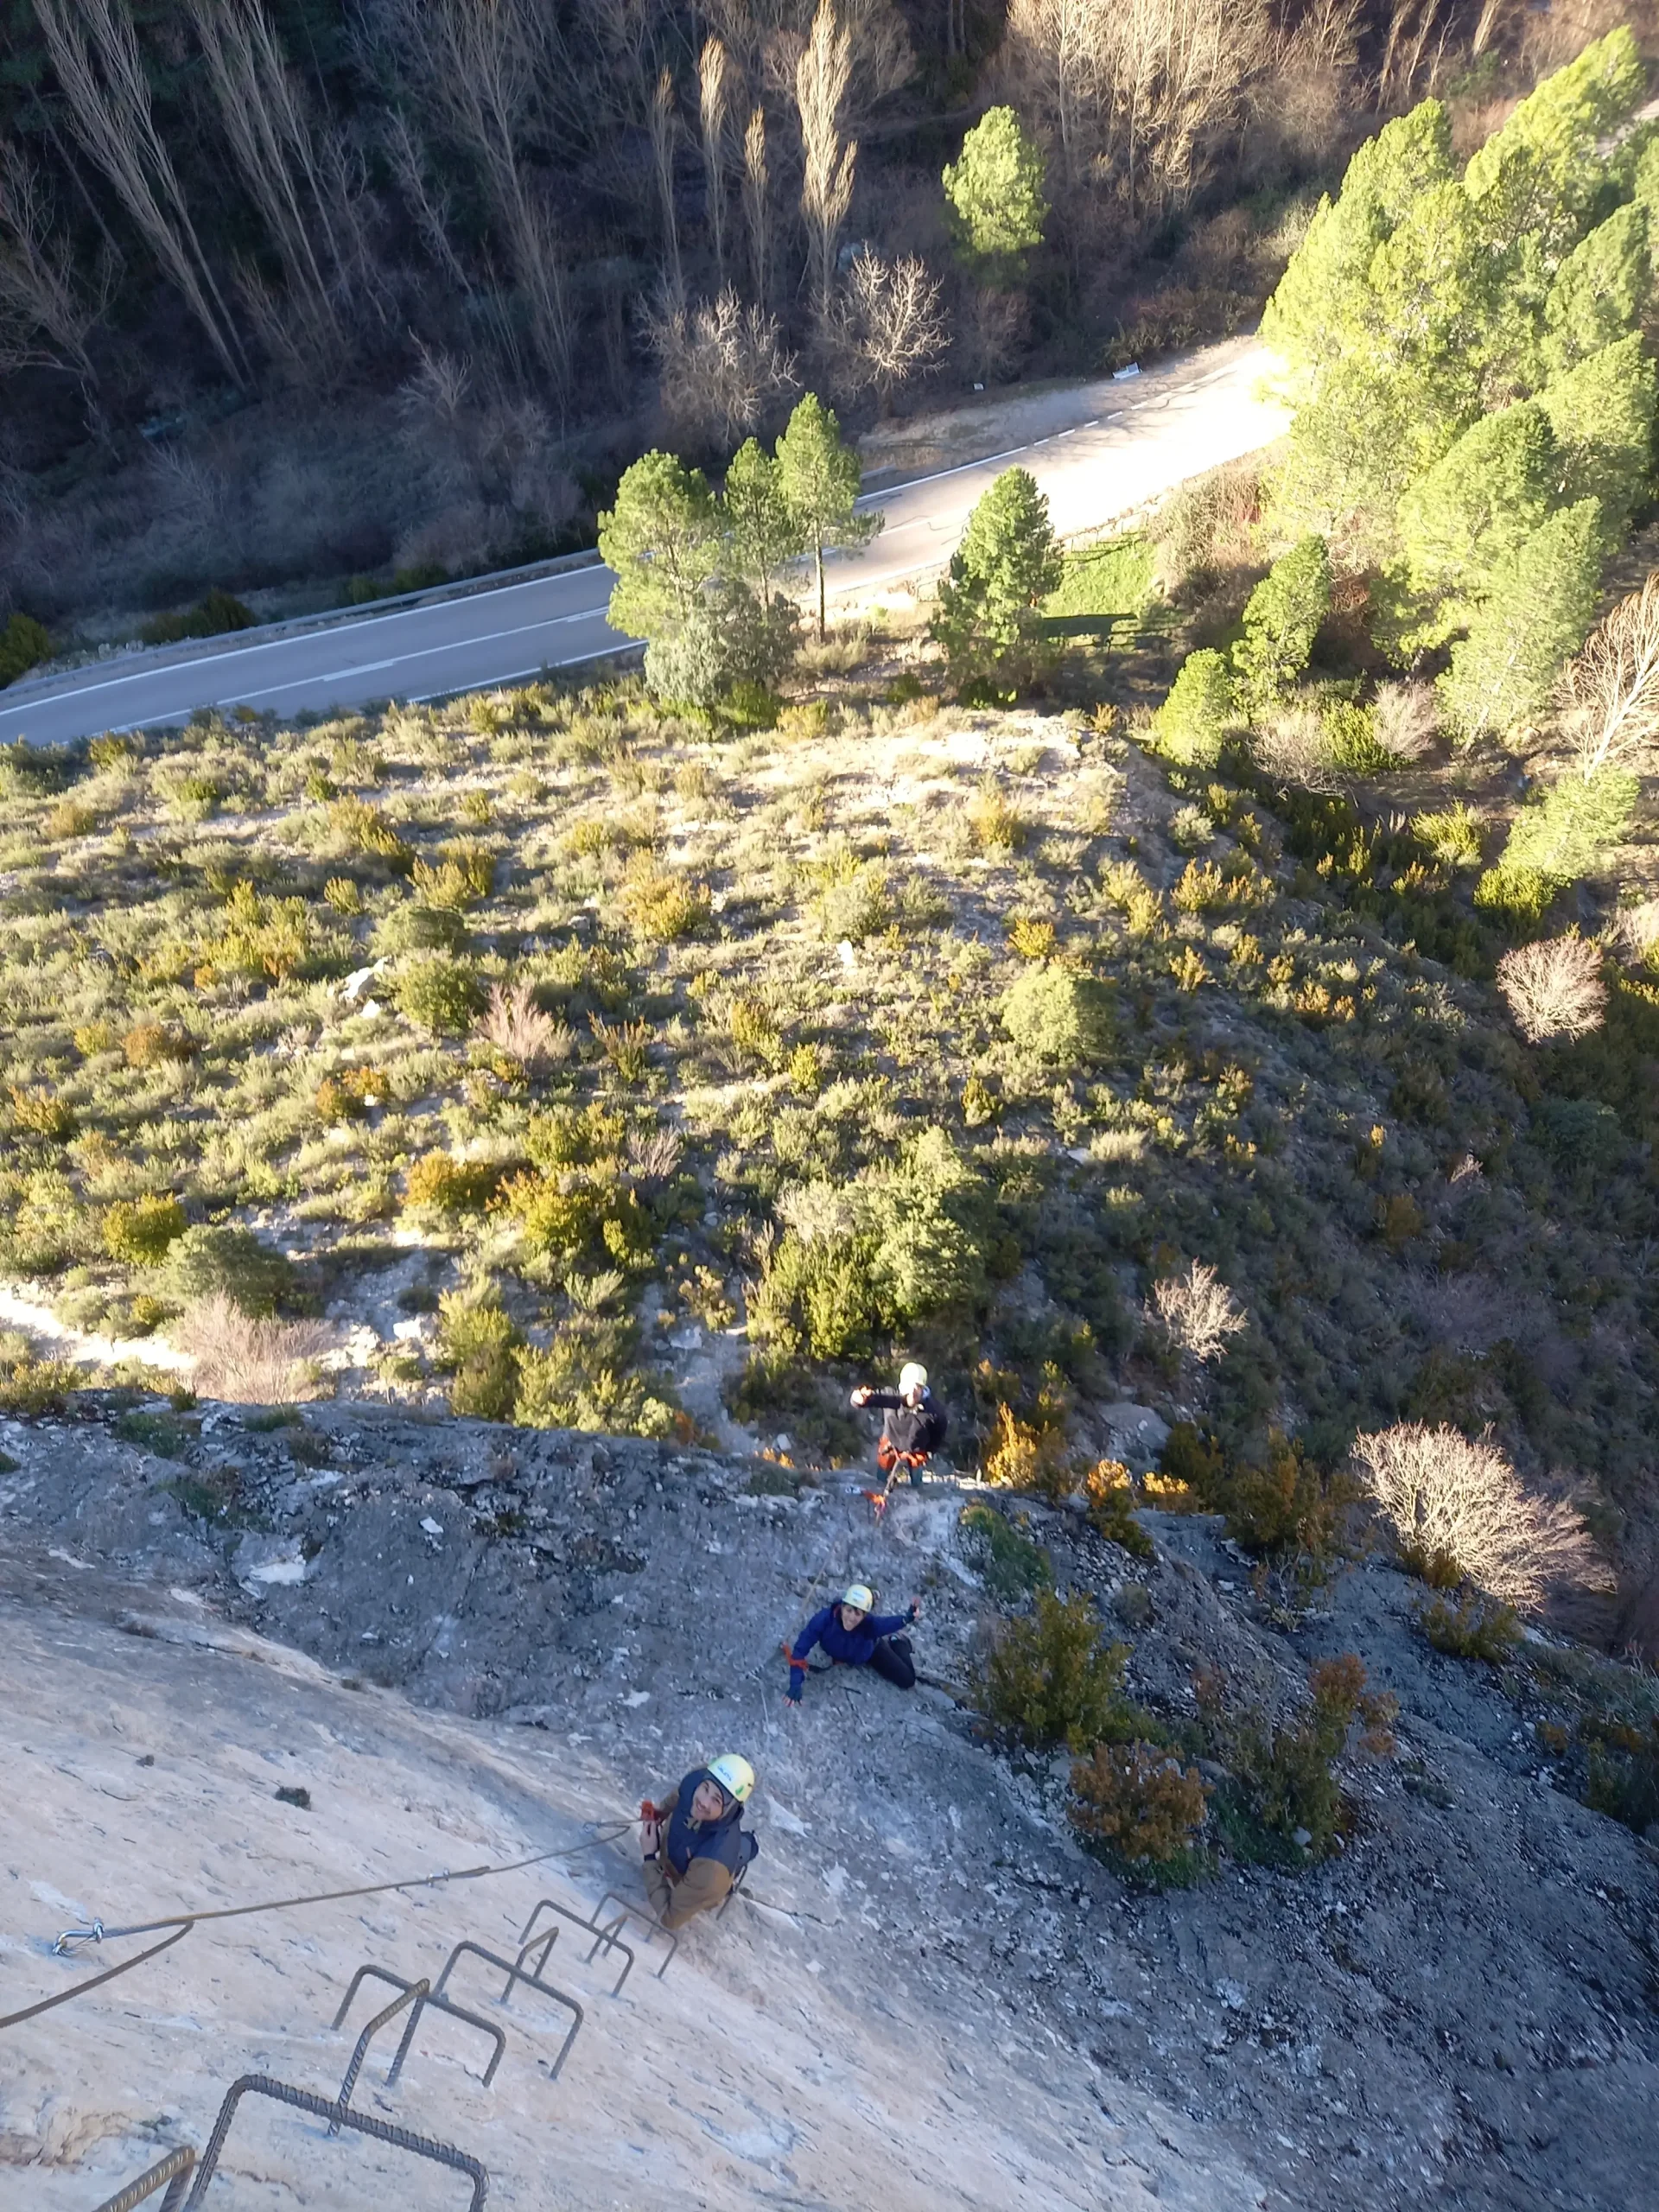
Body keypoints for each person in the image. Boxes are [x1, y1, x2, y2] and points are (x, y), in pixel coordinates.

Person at [639, 1753, 759, 1931]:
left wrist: (649, 1857)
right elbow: (680, 1795)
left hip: (707, 1866)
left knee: (740, 1849)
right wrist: (658, 1813)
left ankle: (749, 1846)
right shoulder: (696, 1781)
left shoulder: (713, 1869)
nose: (703, 1801)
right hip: (693, 1845)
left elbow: (669, 1917)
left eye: (716, 1800)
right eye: (705, 1788)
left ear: (731, 1807)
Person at [785, 1583, 922, 1706]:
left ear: (864, 1616)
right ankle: (872, 1594)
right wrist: (795, 1683)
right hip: (847, 1653)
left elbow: (886, 1624)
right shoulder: (824, 1620)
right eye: (849, 1610)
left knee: (908, 1680)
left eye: (857, 1614)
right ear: (842, 1606)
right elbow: (800, 1651)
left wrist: (906, 1619)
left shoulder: (869, 1625)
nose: (851, 1618)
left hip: (870, 1652)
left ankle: (899, 1642)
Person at [850, 1361, 948, 1510]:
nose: (914, 1392)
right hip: (891, 1444)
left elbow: (939, 1432)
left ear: (923, 1389)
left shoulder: (934, 1411)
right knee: (881, 1477)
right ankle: (880, 1491)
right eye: (911, 1387)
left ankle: (917, 1504)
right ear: (903, 1386)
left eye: (919, 1387)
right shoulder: (892, 1398)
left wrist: (929, 1451)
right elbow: (870, 1399)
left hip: (916, 1449)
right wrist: (858, 1399)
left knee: (917, 1485)